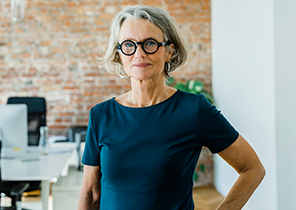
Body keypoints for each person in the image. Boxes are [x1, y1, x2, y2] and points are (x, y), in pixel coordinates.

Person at [77, 5, 265, 210]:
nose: (139, 53)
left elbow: (252, 169)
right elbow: (90, 196)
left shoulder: (193, 110)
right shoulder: (101, 115)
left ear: (169, 51)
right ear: (119, 54)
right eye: (128, 45)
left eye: (150, 43)